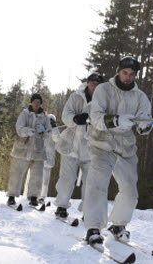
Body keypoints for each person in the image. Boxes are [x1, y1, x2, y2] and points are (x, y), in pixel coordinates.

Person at [83, 58, 153, 245]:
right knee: (98, 184)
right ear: (118, 71)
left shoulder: (141, 97)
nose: (128, 77)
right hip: (101, 143)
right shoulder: (104, 90)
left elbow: (143, 122)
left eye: (132, 74)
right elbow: (96, 117)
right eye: (125, 73)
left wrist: (145, 126)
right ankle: (93, 228)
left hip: (125, 147)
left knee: (130, 191)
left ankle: (118, 225)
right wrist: (115, 120)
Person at [53, 72, 104, 221]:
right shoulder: (76, 97)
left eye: (98, 84)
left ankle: (87, 211)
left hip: (91, 147)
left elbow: (104, 122)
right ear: (88, 83)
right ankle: (61, 206)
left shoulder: (103, 101)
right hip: (71, 144)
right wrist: (75, 119)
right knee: (67, 178)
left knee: (91, 181)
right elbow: (66, 114)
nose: (95, 86)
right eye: (93, 83)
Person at [7, 93, 52, 208]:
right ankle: (11, 196)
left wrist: (44, 131)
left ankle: (33, 197)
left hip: (38, 150)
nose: (37, 104)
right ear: (31, 102)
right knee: (16, 174)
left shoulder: (44, 117)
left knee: (37, 176)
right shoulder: (24, 114)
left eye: (39, 102)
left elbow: (49, 132)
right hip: (22, 149)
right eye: (35, 101)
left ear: (41, 104)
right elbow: (19, 128)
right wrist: (27, 131)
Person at [37, 114, 58, 206]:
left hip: (49, 161)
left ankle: (42, 197)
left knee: (45, 181)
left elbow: (57, 139)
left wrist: (54, 128)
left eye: (52, 121)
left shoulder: (55, 131)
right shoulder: (42, 129)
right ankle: (34, 195)